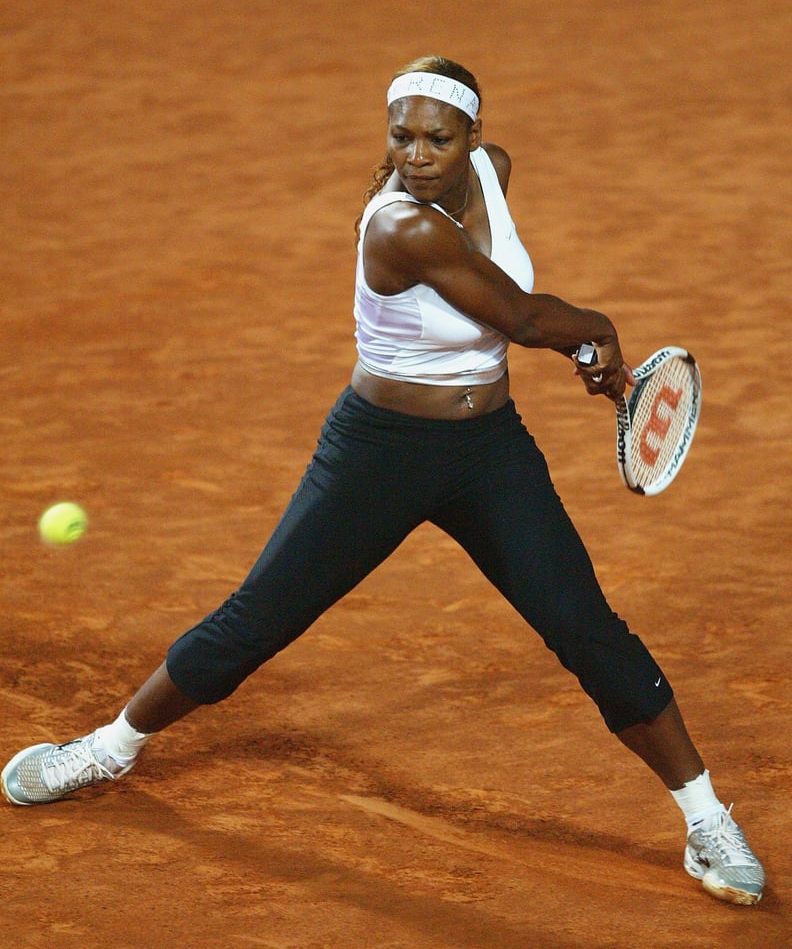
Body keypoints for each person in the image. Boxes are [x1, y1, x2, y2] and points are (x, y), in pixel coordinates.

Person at [2, 55, 765, 906]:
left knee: (586, 626)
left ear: (474, 136)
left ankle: (705, 816)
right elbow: (521, 317)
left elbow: (507, 298)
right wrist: (599, 333)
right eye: (401, 136)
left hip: (488, 450)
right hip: (380, 452)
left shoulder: (491, 172)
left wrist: (592, 359)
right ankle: (108, 748)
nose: (417, 154)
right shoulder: (399, 228)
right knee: (256, 620)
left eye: (438, 137)